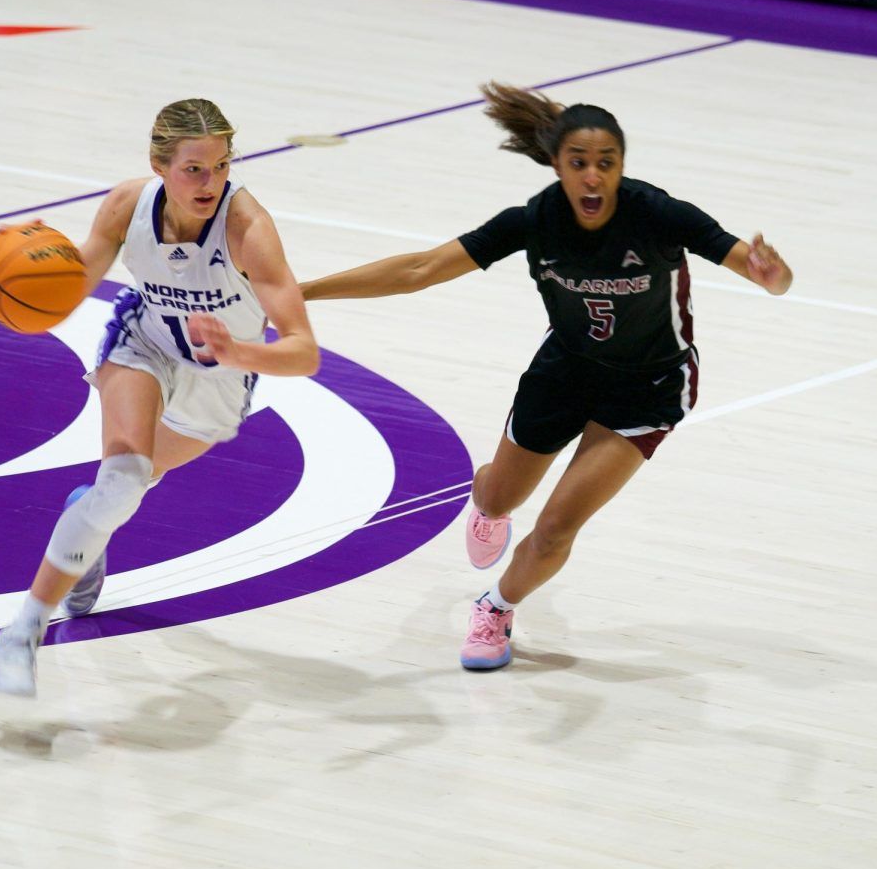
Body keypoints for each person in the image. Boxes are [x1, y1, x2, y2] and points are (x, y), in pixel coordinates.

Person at [300, 81, 792, 670]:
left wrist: (772, 275)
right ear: (557, 165)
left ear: (621, 167)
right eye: (578, 163)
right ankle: (488, 503)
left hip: (649, 387)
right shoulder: (534, 221)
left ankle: (497, 607)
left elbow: (767, 276)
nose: (592, 177)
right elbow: (421, 269)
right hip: (564, 372)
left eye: (605, 164)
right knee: (498, 494)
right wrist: (299, 293)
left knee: (557, 527)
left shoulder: (658, 214)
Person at [0, 98, 319, 696]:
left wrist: (241, 353)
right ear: (160, 165)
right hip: (144, 343)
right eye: (194, 169)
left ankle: (87, 523)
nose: (209, 182)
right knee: (124, 478)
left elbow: (303, 352)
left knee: (123, 492)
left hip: (220, 380)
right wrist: (18, 283)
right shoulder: (126, 206)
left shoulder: (248, 230)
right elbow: (66, 286)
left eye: (219, 167)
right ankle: (21, 632)